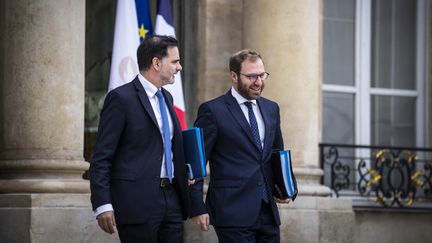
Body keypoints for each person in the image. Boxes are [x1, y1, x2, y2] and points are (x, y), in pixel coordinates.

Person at [89, 35, 189, 243]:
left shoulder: (168, 98)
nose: (179, 67)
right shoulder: (121, 98)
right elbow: (102, 156)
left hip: (172, 200)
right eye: (175, 61)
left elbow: (170, 148)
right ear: (156, 63)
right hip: (136, 203)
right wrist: (103, 203)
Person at [189, 49, 291, 242]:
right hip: (231, 211)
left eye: (262, 75)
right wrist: (196, 206)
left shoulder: (271, 108)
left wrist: (285, 187)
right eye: (251, 76)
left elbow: (277, 152)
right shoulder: (212, 111)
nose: (259, 82)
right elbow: (197, 162)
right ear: (234, 76)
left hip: (268, 212)